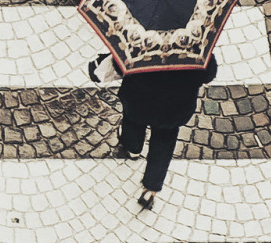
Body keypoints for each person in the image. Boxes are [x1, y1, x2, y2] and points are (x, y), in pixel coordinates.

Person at [91, 53, 220, 211]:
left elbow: (119, 66)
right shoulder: (197, 48)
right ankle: (150, 189)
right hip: (173, 109)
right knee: (164, 144)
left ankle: (133, 148)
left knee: (132, 124)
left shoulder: (140, 41)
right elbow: (208, 74)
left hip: (139, 102)